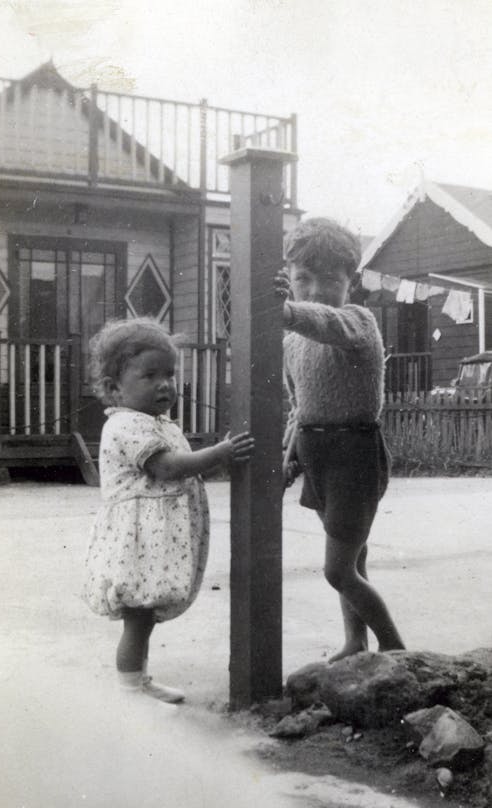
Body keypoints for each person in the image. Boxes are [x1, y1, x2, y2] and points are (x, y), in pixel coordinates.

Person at [82, 317, 254, 703]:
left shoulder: (153, 421)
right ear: (114, 389)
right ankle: (129, 690)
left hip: (150, 539)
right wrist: (220, 453)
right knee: (137, 617)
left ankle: (139, 681)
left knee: (144, 617)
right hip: (136, 541)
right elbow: (168, 467)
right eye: (150, 375)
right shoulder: (126, 425)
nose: (165, 384)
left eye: (170, 374)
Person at [274, 217, 405, 662]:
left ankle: (395, 648)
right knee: (354, 558)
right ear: (289, 279)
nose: (314, 289)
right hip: (317, 454)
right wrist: (289, 457)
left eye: (330, 279)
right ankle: (356, 641)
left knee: (338, 570)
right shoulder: (292, 341)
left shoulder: (359, 322)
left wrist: (287, 311)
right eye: (302, 279)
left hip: (354, 455)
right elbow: (299, 407)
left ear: (351, 282)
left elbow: (326, 323)